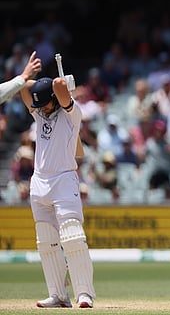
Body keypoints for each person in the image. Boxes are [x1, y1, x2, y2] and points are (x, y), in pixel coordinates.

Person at [19, 76, 95, 308]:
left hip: (63, 180)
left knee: (72, 238)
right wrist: (26, 77)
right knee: (46, 242)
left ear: (55, 99)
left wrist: (62, 84)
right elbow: (25, 87)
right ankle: (58, 295)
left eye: (46, 104)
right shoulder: (39, 114)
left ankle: (84, 294)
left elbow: (60, 86)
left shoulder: (72, 115)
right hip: (39, 182)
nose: (42, 109)